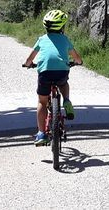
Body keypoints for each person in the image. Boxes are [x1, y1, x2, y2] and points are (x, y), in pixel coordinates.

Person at [23, 9, 83, 145]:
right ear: (62, 27)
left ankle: (41, 134)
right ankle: (66, 101)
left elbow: (29, 59)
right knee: (63, 83)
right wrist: (79, 62)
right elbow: (76, 57)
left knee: (42, 102)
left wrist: (28, 64)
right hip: (61, 72)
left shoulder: (41, 40)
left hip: (45, 73)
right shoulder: (65, 39)